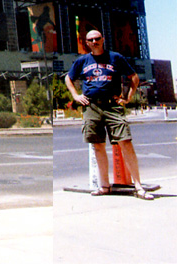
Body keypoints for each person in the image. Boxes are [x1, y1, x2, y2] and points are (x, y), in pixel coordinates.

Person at [65, 30, 153, 200]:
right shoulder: (82, 60)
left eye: (97, 38)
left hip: (113, 106)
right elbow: (69, 78)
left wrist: (127, 98)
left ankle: (139, 186)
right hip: (91, 106)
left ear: (103, 40)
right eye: (91, 39)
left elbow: (133, 77)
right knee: (97, 145)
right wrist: (75, 96)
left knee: (125, 142)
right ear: (86, 42)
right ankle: (104, 186)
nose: (94, 41)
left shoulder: (115, 57)